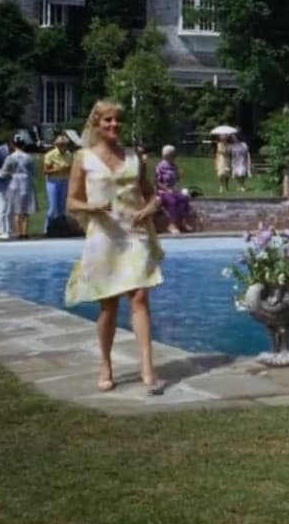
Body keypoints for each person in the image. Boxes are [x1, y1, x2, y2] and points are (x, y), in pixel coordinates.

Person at [63, 100, 165, 395]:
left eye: (118, 120)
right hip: (104, 235)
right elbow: (71, 201)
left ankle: (147, 367)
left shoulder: (134, 157)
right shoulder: (84, 158)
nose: (113, 125)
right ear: (96, 123)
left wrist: (149, 209)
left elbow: (151, 195)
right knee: (108, 303)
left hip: (134, 233)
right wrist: (92, 207)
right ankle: (105, 364)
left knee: (140, 296)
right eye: (108, 120)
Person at [0, 136, 38, 240]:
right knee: (25, 211)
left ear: (14, 145)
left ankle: (19, 232)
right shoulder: (28, 157)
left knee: (17, 211)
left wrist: (3, 173)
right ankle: (25, 233)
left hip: (14, 183)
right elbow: (34, 172)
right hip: (26, 183)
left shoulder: (10, 157)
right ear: (23, 145)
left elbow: (3, 174)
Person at [155, 145, 194, 234]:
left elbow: (176, 179)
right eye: (173, 155)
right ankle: (171, 224)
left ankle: (183, 222)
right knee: (172, 201)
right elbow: (157, 182)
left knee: (184, 198)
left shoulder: (174, 166)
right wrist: (167, 189)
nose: (175, 157)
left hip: (172, 189)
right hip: (162, 191)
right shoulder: (160, 166)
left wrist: (179, 175)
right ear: (168, 156)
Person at [42, 134, 73, 233]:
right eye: (60, 144)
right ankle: (47, 228)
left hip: (64, 180)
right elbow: (45, 171)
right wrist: (58, 169)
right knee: (52, 207)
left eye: (64, 144)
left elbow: (71, 168)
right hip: (53, 182)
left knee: (62, 207)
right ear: (56, 145)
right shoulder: (50, 155)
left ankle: (61, 228)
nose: (63, 146)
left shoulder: (69, 155)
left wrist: (68, 169)